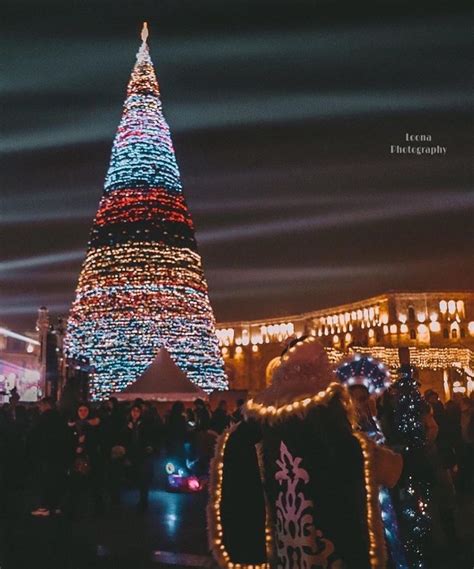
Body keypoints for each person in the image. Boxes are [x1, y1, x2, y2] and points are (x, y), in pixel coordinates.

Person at [208, 337, 403, 569]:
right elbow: (390, 471)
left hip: (282, 552)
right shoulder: (330, 426)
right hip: (332, 553)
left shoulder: (250, 429)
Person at [29, 397, 70, 517]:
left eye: (41, 405)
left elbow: (34, 436)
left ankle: (44, 506)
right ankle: (55, 505)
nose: (40, 408)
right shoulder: (61, 418)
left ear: (46, 405)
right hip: (59, 454)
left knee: (45, 481)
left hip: (45, 454)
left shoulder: (42, 419)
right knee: (57, 480)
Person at [67, 402, 102, 517]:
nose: (83, 413)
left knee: (91, 484)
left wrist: (84, 444)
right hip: (76, 458)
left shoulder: (93, 425)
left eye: (85, 410)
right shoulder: (72, 425)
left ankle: (92, 509)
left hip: (90, 457)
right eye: (80, 410)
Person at [122, 404, 154, 512]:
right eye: (133, 411)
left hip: (142, 453)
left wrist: (148, 447)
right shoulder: (128, 424)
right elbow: (124, 438)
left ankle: (143, 500)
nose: (135, 413)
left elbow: (148, 436)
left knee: (143, 477)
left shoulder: (144, 424)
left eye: (137, 411)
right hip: (132, 452)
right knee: (135, 475)